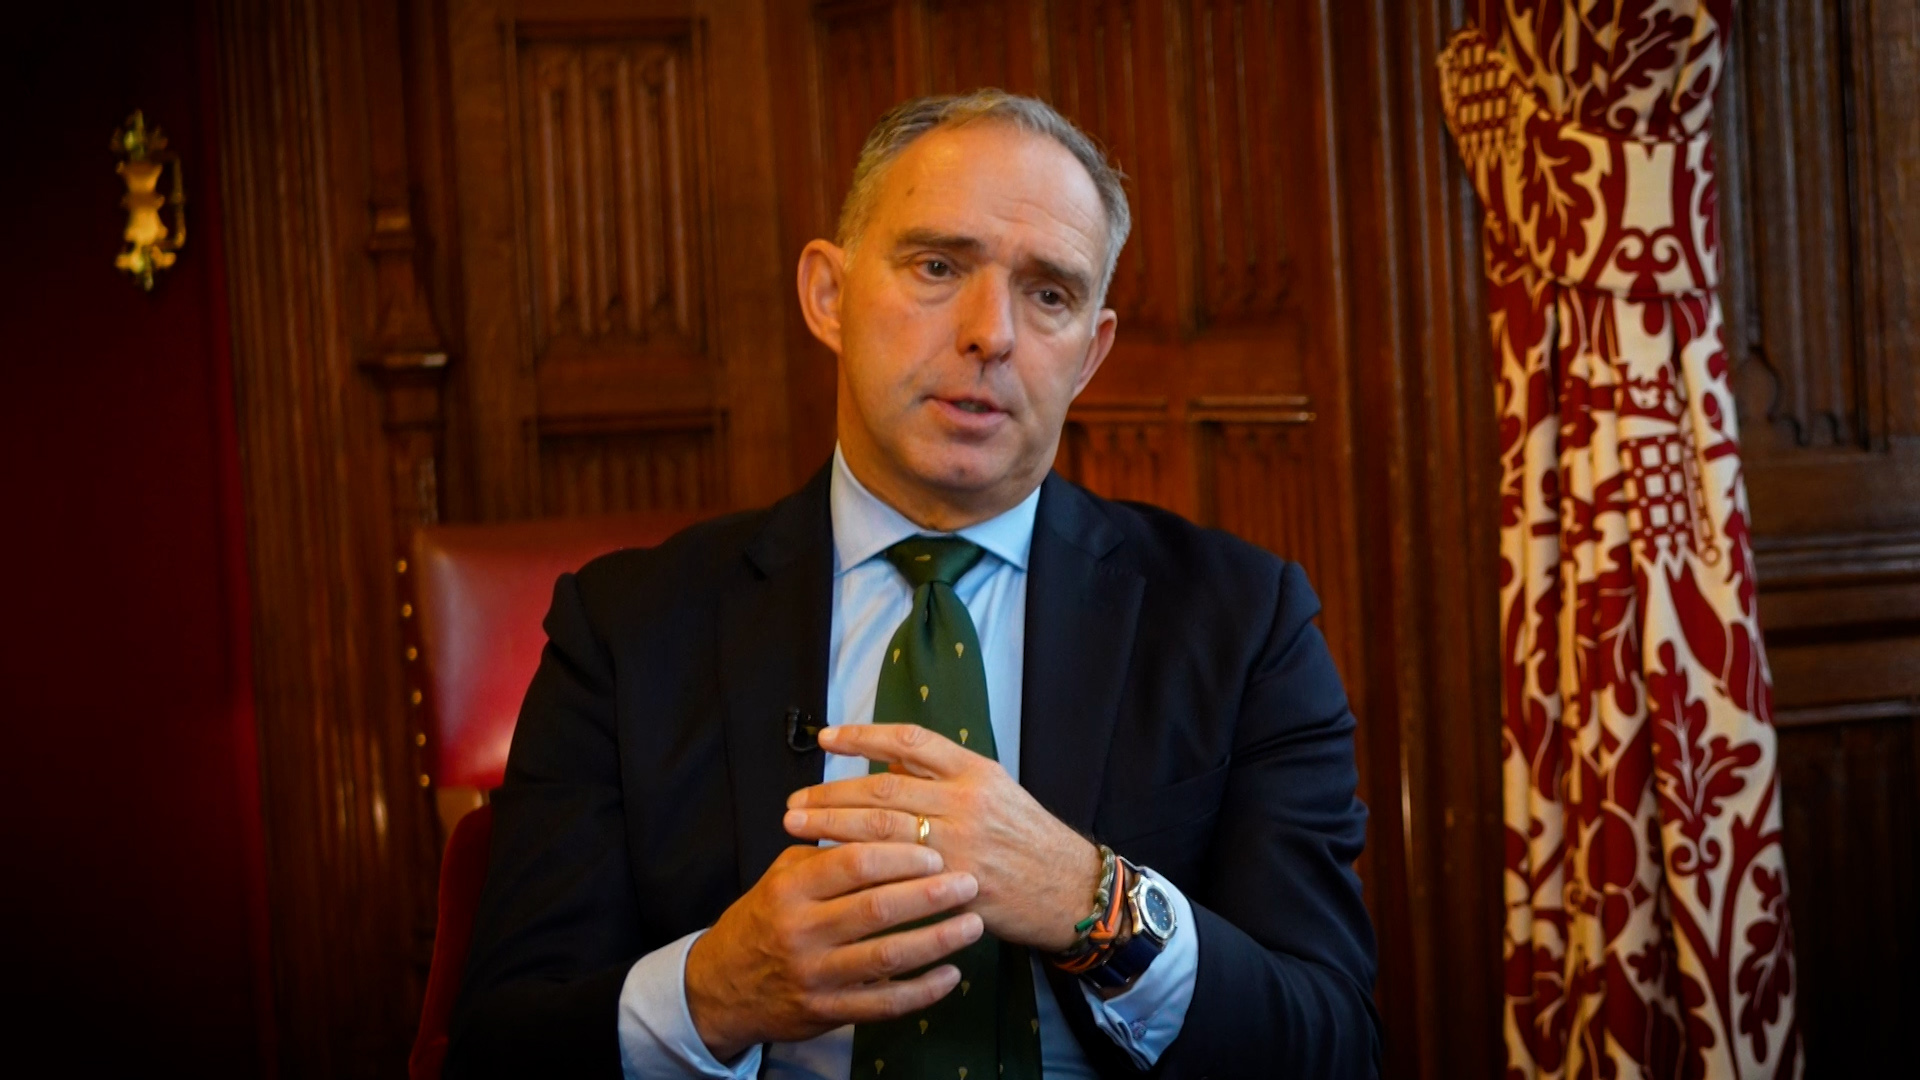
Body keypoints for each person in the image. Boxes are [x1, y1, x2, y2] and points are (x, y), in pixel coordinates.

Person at [445, 89, 1378, 1079]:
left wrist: (1093, 900)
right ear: (828, 296)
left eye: (1049, 294)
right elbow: (502, 1047)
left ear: (1090, 356)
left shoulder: (1244, 624)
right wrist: (715, 993)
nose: (991, 333)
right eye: (938, 266)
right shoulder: (624, 632)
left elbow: (1334, 1045)